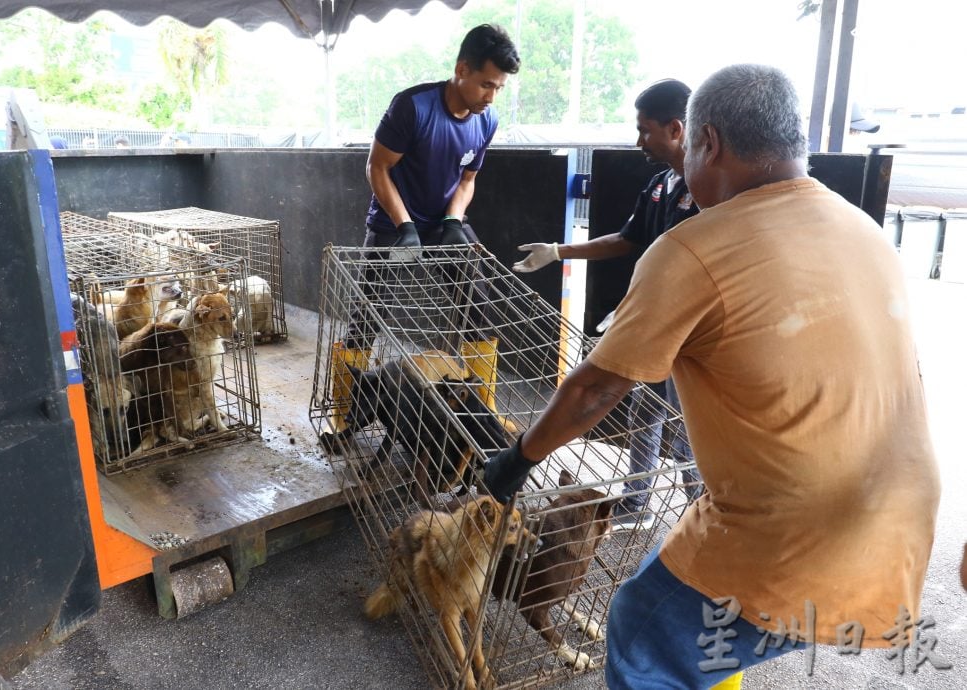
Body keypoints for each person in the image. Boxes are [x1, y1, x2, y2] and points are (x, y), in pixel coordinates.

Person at [483, 64, 940, 688]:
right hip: (900, 523)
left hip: (792, 532)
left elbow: (595, 389)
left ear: (707, 142)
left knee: (643, 631)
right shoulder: (862, 228)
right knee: (702, 625)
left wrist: (515, 461)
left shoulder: (694, 246)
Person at [513, 78, 703, 525]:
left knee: (685, 425)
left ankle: (702, 515)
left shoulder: (709, 188)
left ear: (675, 129)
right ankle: (638, 504)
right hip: (653, 323)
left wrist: (645, 303)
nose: (639, 141)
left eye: (645, 130)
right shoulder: (661, 184)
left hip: (687, 331)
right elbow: (626, 238)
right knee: (650, 409)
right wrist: (559, 251)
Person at [328, 24, 520, 431]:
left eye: (499, 88)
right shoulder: (413, 107)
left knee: (478, 308)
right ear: (461, 69)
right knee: (368, 314)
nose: (491, 96)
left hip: (444, 223)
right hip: (394, 223)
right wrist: (405, 226)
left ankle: (482, 413)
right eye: (486, 84)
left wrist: (453, 220)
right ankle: (344, 412)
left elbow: (467, 180)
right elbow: (377, 168)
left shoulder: (487, 121)